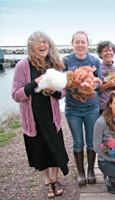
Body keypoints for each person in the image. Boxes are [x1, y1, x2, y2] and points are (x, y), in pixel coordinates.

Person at [12, 31, 69, 198]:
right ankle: (47, 181)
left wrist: (53, 91)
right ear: (32, 46)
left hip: (51, 116)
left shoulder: (56, 64)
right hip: (33, 117)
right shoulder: (22, 66)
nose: (43, 45)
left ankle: (56, 179)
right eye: (38, 42)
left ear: (49, 45)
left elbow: (62, 92)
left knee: (55, 149)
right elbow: (16, 95)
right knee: (40, 151)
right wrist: (34, 83)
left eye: (45, 42)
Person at [63, 31, 101, 186]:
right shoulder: (66, 61)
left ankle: (91, 170)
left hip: (91, 107)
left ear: (87, 44)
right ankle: (80, 173)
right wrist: (75, 88)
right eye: (77, 42)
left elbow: (99, 84)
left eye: (83, 42)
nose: (80, 45)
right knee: (78, 142)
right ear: (72, 44)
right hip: (73, 108)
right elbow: (62, 84)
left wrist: (92, 87)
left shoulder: (94, 61)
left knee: (91, 142)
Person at [96, 41, 115, 115]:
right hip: (103, 107)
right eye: (105, 51)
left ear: (113, 52)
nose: (108, 53)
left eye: (110, 50)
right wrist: (107, 85)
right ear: (100, 54)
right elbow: (94, 91)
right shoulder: (98, 69)